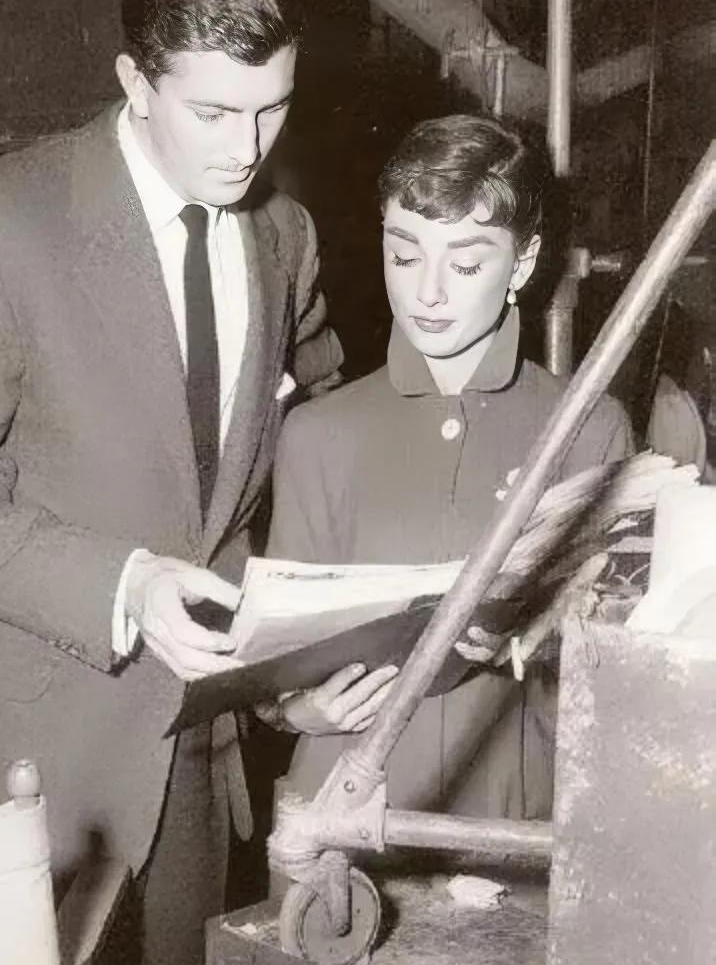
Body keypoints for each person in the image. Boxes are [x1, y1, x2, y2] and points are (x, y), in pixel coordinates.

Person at [0, 0, 342, 964]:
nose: (247, 147)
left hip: (197, 759)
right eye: (213, 112)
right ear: (135, 81)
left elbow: (306, 409)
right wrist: (125, 583)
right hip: (32, 762)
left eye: (273, 107)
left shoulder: (284, 236)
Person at [262, 114, 633, 821]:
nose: (428, 293)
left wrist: (535, 640)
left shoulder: (588, 429)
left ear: (522, 264)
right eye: (405, 257)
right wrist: (294, 710)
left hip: (513, 821)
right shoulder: (317, 435)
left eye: (465, 265)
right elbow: (276, 659)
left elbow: (617, 675)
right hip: (342, 815)